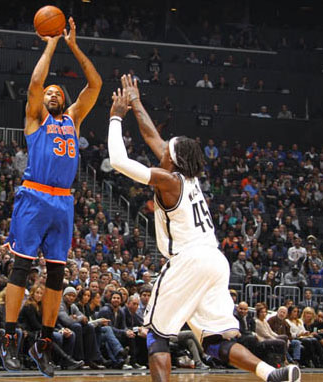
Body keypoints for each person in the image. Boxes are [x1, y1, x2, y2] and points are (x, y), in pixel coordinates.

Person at [107, 74, 300, 382]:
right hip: (215, 261)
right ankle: (271, 374)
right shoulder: (188, 178)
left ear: (174, 159)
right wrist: (136, 102)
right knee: (214, 343)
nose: (162, 151)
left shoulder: (169, 181)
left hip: (190, 260)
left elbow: (117, 160)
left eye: (167, 151)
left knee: (156, 334)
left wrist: (117, 116)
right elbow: (154, 138)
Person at [1, 16, 101, 377]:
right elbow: (35, 82)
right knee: (23, 266)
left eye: (58, 91)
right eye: (48, 93)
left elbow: (95, 83)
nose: (52, 92)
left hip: (63, 201)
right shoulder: (34, 119)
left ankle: (43, 343)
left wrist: (74, 45)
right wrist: (52, 43)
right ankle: (9, 338)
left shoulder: (73, 119)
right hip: (35, 196)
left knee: (57, 273)